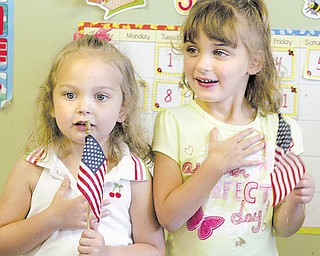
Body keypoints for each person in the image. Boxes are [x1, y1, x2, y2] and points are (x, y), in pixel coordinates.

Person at [152, 0, 315, 255]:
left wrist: (295, 201)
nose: (202, 64)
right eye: (192, 49)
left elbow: (283, 229)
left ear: (254, 63)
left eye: (219, 52)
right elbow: (169, 218)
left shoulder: (282, 130)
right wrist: (216, 164)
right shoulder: (173, 122)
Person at [0, 34, 165, 256]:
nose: (84, 107)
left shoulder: (134, 173)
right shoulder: (32, 167)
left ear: (123, 109)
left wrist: (107, 252)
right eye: (70, 94)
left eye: (100, 96)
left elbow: (154, 250)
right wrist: (52, 219)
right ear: (51, 104)